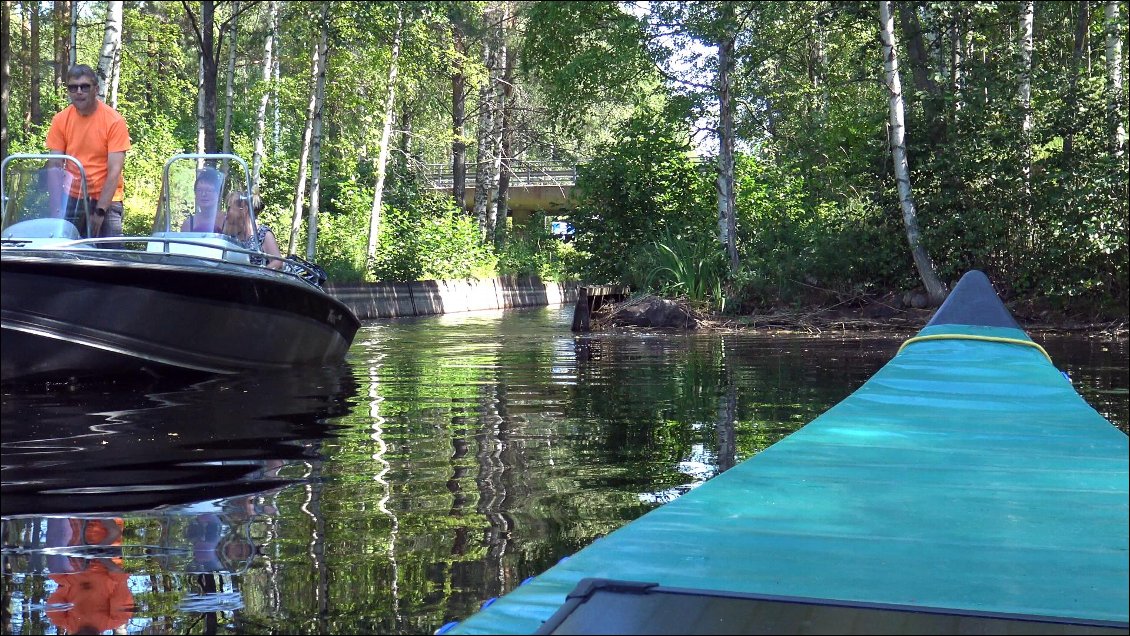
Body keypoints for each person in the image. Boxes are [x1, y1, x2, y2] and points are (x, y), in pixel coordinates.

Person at [46, 64, 131, 241]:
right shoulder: (60, 120)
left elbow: (114, 171)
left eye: (85, 86)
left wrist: (100, 211)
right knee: (63, 252)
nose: (79, 91)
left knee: (110, 256)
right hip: (72, 196)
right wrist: (56, 210)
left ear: (95, 89)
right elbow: (54, 166)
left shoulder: (114, 121)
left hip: (107, 198)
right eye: (73, 87)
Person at [44, 517, 135, 635]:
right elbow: (119, 575)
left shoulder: (59, 618)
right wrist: (100, 553)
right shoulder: (117, 618)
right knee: (111, 529)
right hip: (104, 542)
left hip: (73, 550)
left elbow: (59, 575)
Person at [220, 192, 283, 269]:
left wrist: (258, 275)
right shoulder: (232, 235)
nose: (226, 212)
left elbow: (277, 262)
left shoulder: (263, 234)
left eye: (229, 208)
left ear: (244, 209)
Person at [180, 167, 225, 232]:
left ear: (218, 194)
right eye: (199, 190)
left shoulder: (228, 221)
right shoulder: (188, 224)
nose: (204, 194)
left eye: (209, 190)